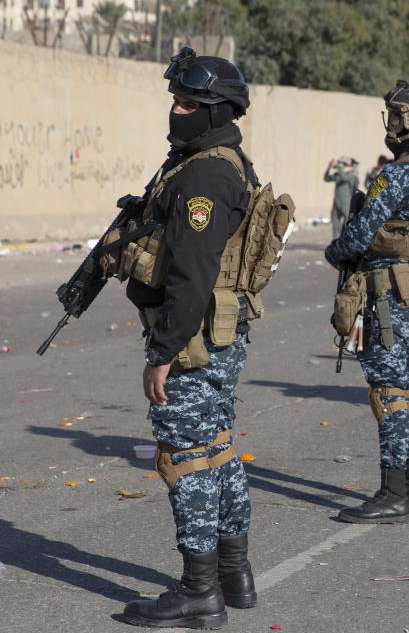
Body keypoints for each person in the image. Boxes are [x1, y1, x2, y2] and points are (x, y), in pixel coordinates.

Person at [118, 47, 269, 629]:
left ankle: (198, 591)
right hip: (218, 335)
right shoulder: (220, 159)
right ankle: (234, 575)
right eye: (175, 100)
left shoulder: (206, 173)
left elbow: (192, 274)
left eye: (188, 103)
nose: (176, 111)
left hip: (193, 338)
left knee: (186, 459)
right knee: (219, 448)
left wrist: (162, 354)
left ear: (216, 110)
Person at [325, 80, 409, 523]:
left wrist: (335, 250)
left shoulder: (398, 172)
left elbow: (359, 235)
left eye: (399, 115)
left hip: (385, 295)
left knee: (388, 392)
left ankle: (393, 492)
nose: (393, 123)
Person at [325, 156, 358, 240]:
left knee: (347, 225)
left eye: (341, 163)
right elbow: (327, 178)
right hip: (336, 203)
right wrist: (328, 168)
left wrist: (339, 167)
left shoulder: (351, 174)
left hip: (346, 203)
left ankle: (348, 243)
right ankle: (335, 243)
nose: (340, 165)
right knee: (335, 226)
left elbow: (344, 178)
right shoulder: (339, 174)